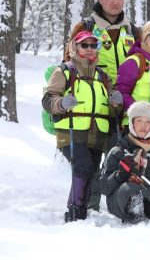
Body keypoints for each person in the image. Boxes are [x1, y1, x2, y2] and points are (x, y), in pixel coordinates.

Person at [42, 29, 123, 222]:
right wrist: (60, 103)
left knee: (91, 171)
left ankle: (81, 212)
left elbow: (112, 111)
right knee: (83, 166)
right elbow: (48, 99)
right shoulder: (64, 71)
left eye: (93, 45)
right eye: (84, 45)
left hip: (97, 133)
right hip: (70, 131)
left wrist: (116, 103)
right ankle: (75, 211)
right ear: (74, 47)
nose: (89, 49)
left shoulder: (103, 77)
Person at [99, 101, 150, 224]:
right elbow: (103, 187)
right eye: (139, 121)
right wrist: (120, 174)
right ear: (132, 122)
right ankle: (136, 222)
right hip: (121, 201)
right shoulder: (118, 151)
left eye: (148, 122)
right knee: (132, 188)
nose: (143, 126)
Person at [114, 19, 150, 145]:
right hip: (136, 127)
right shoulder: (134, 62)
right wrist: (140, 113)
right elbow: (121, 94)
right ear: (144, 38)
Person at [72, 0, 139, 85]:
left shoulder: (131, 30)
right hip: (97, 94)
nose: (115, 2)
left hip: (126, 94)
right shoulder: (86, 27)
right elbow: (70, 60)